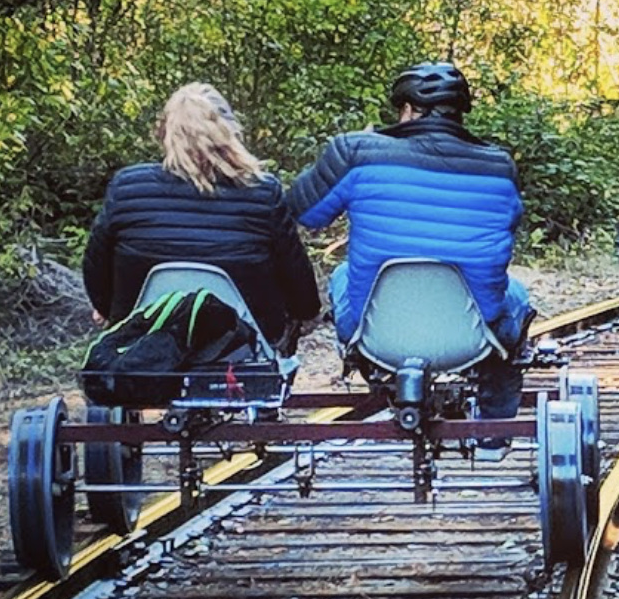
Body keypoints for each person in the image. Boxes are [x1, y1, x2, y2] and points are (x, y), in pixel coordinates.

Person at [287, 62, 532, 433]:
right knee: (516, 293)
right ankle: (494, 428)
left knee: (342, 276)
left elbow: (301, 211)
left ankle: (377, 376)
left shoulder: (358, 152)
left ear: (406, 110)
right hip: (471, 336)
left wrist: (351, 148)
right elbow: (508, 229)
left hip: (375, 334)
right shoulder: (499, 166)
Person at [82, 82, 321, 352]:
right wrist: (305, 314)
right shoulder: (262, 192)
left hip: (142, 345)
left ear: (166, 132)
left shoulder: (127, 187)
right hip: (244, 348)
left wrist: (106, 308)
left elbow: (95, 267)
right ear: (229, 131)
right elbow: (297, 281)